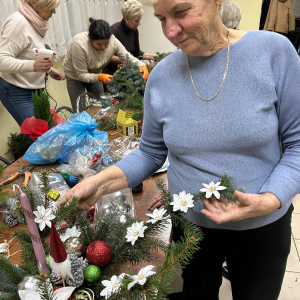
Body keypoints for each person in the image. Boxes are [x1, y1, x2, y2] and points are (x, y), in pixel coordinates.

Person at [60, 0, 300, 299]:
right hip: (191, 226)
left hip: (261, 227)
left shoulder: (274, 53)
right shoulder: (161, 77)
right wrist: (99, 182)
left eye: (181, 12)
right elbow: (149, 153)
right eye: (160, 18)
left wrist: (270, 199)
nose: (170, 31)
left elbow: (297, 145)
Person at [0, 0, 65, 127]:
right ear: (34, 3)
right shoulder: (18, 23)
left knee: (46, 134)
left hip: (35, 90)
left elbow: (29, 52)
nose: (54, 11)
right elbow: (2, 60)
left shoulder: (37, 22)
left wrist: (49, 70)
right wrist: (33, 66)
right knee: (39, 137)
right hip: (16, 90)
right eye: (51, 7)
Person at [63, 18, 149, 112]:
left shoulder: (113, 41)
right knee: (79, 110)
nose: (103, 47)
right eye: (99, 44)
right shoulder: (79, 45)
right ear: (90, 39)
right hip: (75, 76)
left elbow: (128, 57)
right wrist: (100, 76)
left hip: (96, 73)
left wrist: (141, 65)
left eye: (106, 43)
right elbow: (82, 75)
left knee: (101, 106)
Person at [106, 0, 158, 74]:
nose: (139, 23)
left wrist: (148, 56)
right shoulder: (114, 31)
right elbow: (108, 57)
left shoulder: (134, 30)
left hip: (129, 71)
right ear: (127, 19)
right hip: (113, 73)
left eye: (139, 20)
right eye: (136, 21)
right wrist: (128, 59)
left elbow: (136, 52)